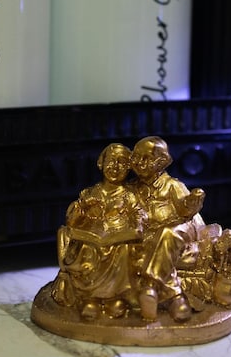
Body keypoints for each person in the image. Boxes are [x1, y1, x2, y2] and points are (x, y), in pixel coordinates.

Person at [53, 142, 146, 319]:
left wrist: (119, 234)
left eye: (122, 163)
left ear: (129, 168)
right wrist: (82, 209)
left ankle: (115, 296)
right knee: (87, 249)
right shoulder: (89, 194)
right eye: (111, 161)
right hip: (90, 243)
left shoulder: (130, 197)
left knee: (122, 250)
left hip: (118, 242)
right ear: (101, 163)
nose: (115, 167)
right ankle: (90, 298)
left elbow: (139, 223)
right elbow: (71, 222)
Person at [130, 135, 205, 322]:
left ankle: (150, 285)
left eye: (145, 158)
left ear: (161, 161)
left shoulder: (172, 185)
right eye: (135, 157)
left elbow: (186, 210)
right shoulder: (131, 189)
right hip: (151, 235)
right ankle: (174, 297)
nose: (139, 162)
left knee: (168, 234)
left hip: (179, 230)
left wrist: (192, 202)